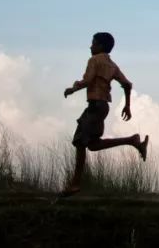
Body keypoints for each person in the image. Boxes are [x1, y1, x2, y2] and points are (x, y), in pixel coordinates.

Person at [60, 31, 148, 196]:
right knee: (92, 144)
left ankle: (75, 184)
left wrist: (73, 88)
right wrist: (127, 106)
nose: (90, 46)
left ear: (100, 46)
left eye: (93, 43)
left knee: (80, 142)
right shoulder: (112, 65)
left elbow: (88, 80)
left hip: (95, 106)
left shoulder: (94, 60)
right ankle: (132, 140)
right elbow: (127, 85)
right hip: (102, 107)